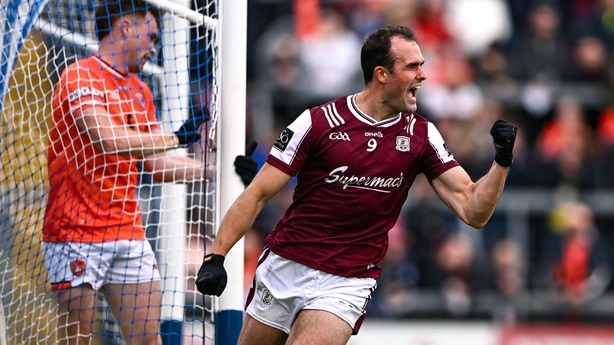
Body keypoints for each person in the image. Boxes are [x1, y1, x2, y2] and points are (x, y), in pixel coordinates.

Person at [196, 24, 516, 345]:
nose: (423, 75)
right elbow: (257, 194)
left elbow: (474, 210)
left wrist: (501, 163)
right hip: (287, 265)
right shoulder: (318, 123)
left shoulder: (421, 135)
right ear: (381, 74)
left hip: (349, 279)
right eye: (412, 66)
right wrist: (216, 256)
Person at [41, 1, 257, 344]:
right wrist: (176, 137)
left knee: (148, 340)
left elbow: (156, 165)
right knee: (77, 340)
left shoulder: (141, 91)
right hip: (74, 234)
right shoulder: (79, 76)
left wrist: (214, 170)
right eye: (151, 36)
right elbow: (107, 138)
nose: (154, 47)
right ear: (126, 26)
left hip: (127, 233)